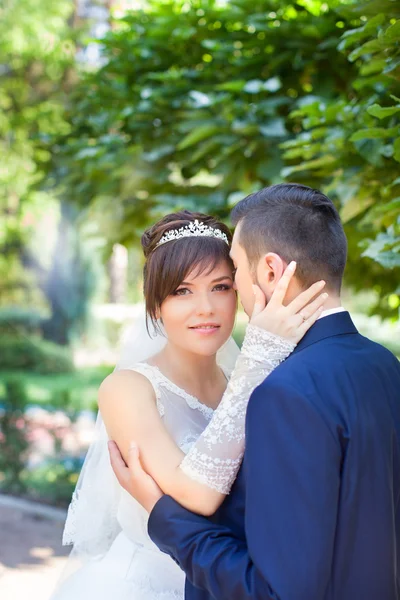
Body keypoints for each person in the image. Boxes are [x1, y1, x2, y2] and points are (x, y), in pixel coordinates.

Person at [110, 184, 400, 600]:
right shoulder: (385, 365)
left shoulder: (282, 390)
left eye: (229, 280)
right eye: (182, 291)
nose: (207, 307)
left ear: (268, 272)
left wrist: (160, 511)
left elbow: (279, 589)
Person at [51, 209, 325, 600]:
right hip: (142, 586)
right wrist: (259, 358)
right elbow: (196, 496)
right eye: (182, 291)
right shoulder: (127, 389)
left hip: (227, 582)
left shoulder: (243, 381)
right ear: (155, 305)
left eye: (220, 287)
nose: (206, 309)